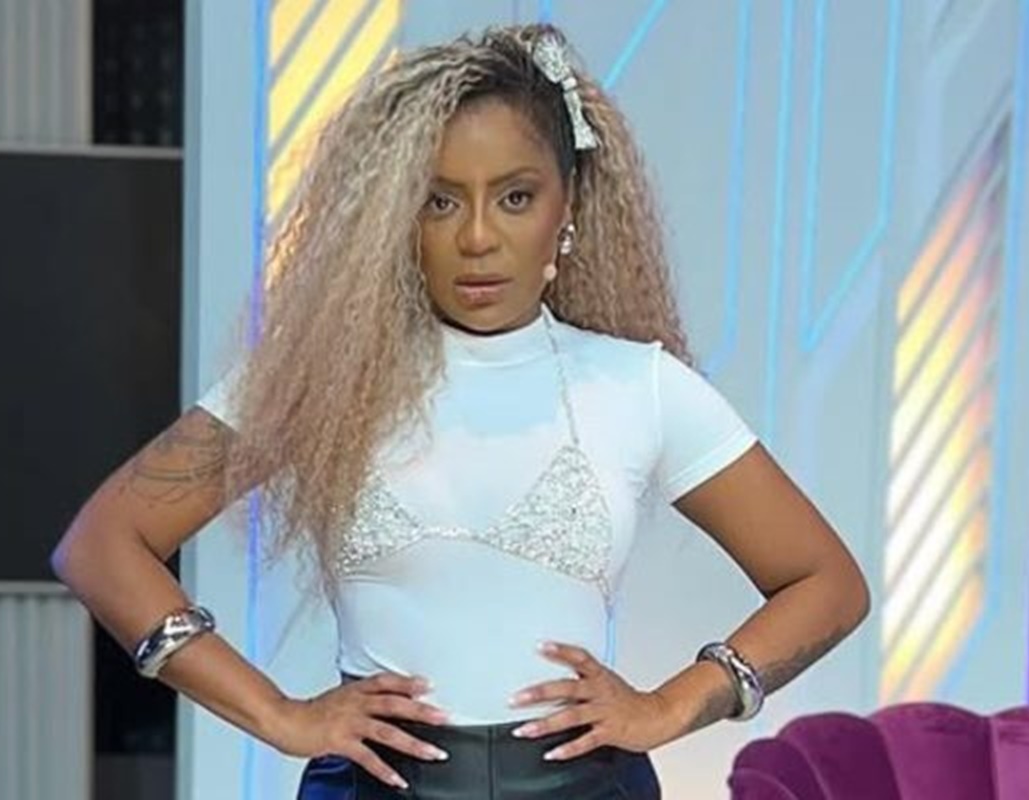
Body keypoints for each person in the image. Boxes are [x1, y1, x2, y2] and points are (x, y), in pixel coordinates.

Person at [51, 23, 870, 799]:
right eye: (440, 201)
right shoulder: (317, 378)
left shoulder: (641, 385)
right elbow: (102, 545)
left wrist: (672, 705)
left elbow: (827, 582)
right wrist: (277, 714)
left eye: (515, 197)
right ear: (395, 215)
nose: (477, 237)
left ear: (567, 204)